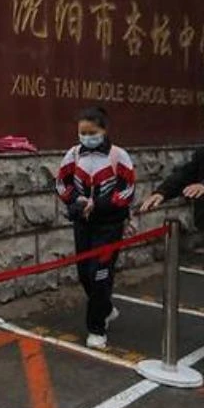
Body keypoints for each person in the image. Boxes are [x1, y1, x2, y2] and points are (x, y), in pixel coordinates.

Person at [56, 107, 135, 350]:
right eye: (83, 132)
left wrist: (99, 204)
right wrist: (76, 201)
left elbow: (127, 190)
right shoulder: (73, 155)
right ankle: (106, 308)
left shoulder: (118, 156)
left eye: (92, 132)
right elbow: (61, 183)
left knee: (100, 274)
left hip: (109, 226)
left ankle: (96, 328)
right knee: (84, 274)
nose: (87, 137)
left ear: (104, 130)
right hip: (83, 224)